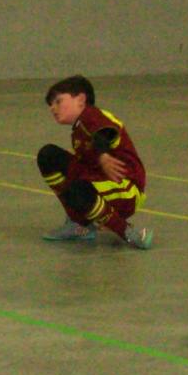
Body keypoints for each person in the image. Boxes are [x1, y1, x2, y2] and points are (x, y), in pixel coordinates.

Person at [37, 75, 153, 249]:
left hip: (125, 188)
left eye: (58, 101)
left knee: (76, 188)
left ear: (81, 99)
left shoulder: (92, 115)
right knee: (48, 156)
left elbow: (104, 134)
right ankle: (79, 224)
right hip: (101, 182)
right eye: (50, 105)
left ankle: (128, 232)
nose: (53, 108)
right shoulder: (78, 131)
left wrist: (103, 156)